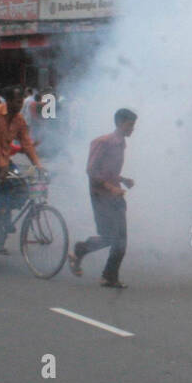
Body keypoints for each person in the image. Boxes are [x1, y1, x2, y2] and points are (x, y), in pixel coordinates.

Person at [69, 109, 137, 288]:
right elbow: (92, 171)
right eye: (130, 125)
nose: (132, 129)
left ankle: (107, 274)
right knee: (112, 238)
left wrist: (123, 180)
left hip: (115, 195)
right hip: (101, 196)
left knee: (119, 238)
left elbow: (110, 171)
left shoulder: (121, 143)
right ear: (120, 124)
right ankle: (85, 253)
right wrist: (111, 187)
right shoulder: (103, 142)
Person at [0, 87, 42, 254]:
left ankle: (2, 222)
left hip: (5, 161)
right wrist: (1, 167)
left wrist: (38, 164)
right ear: (8, 101)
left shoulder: (19, 119)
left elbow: (26, 143)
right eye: (17, 101)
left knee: (21, 188)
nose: (20, 105)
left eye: (21, 101)